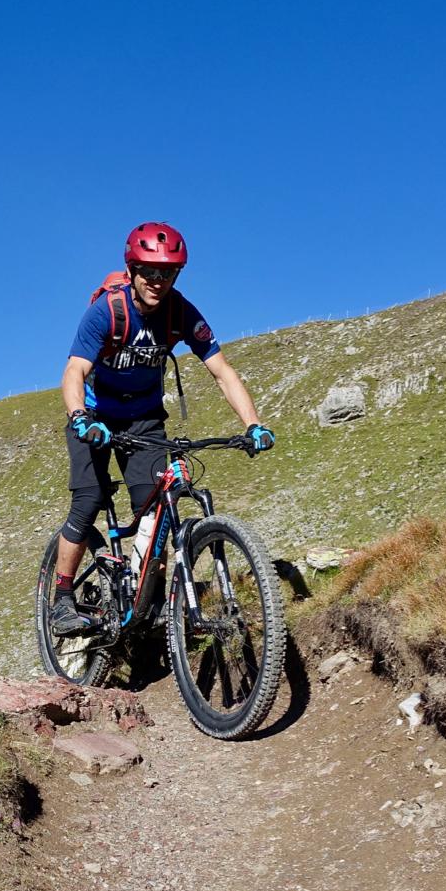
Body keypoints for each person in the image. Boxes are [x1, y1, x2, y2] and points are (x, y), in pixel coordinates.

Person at [48, 222, 275, 634]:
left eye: (167, 273)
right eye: (149, 271)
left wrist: (253, 424)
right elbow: (74, 371)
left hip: (145, 418)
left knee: (155, 509)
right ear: (132, 269)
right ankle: (62, 599)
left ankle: (150, 603)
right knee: (90, 498)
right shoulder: (107, 311)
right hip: (95, 416)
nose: (158, 281)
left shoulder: (181, 312)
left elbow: (222, 371)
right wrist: (80, 417)